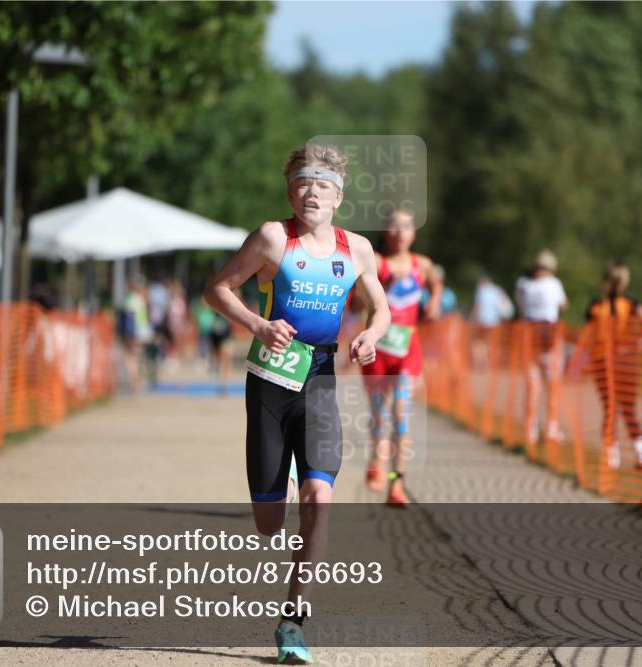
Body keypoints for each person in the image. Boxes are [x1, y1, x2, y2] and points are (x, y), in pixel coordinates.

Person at [203, 142, 390, 663]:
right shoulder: (271, 238)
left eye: (323, 186)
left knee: (320, 500)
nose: (313, 193)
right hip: (269, 381)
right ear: (290, 191)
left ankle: (293, 622)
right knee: (268, 524)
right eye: (304, 184)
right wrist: (259, 325)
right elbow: (216, 289)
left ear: (338, 198)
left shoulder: (357, 250)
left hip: (322, 378)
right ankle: (275, 491)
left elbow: (382, 308)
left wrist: (372, 333)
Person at [362, 208, 443, 507]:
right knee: (379, 416)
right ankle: (376, 459)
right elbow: (357, 301)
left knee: (400, 415)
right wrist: (383, 287)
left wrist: (434, 301)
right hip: (376, 350)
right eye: (394, 226)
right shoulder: (377, 264)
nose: (399, 232)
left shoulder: (422, 264)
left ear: (414, 232)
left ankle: (397, 484)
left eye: (406, 226)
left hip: (407, 350)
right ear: (385, 232)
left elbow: (436, 282)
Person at [586, 261, 642, 471]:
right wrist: (639, 342)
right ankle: (640, 453)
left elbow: (588, 332)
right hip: (624, 360)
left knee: (610, 409)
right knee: (628, 409)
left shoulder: (596, 306)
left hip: (603, 361)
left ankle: (611, 457)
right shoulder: (631, 303)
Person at [515, 249, 568, 448]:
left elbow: (520, 307)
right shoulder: (554, 284)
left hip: (529, 335)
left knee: (532, 386)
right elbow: (563, 305)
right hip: (549, 336)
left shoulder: (523, 285)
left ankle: (531, 430)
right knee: (552, 386)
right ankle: (551, 429)